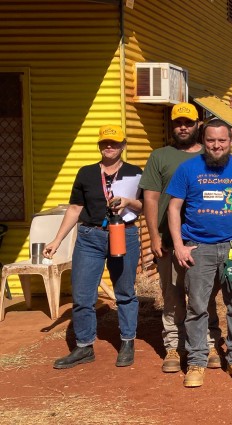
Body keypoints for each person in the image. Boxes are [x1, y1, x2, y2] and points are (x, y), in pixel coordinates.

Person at [165, 119, 232, 388]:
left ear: (231, 141)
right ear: (203, 140)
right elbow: (174, 208)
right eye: (211, 140)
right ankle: (196, 361)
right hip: (199, 248)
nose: (216, 145)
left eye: (222, 140)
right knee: (197, 307)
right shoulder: (188, 169)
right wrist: (179, 246)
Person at [46, 125, 143, 369]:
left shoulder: (134, 172)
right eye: (104, 143)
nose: (109, 146)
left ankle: (127, 342)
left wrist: (129, 201)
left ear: (123, 145)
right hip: (90, 237)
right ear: (99, 146)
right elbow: (75, 209)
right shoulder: (86, 173)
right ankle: (84, 346)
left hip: (124, 234)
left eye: (114, 143)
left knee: (125, 292)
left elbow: (144, 206)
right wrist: (57, 240)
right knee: (82, 295)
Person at [139, 102, 222, 373]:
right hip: (167, 239)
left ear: (198, 124)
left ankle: (208, 343)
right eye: (178, 123)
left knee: (204, 296)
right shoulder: (159, 157)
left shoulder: (209, 156)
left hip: (203, 240)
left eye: (188, 122)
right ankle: (174, 345)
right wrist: (153, 236)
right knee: (172, 296)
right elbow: (150, 199)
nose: (183, 127)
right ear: (172, 126)